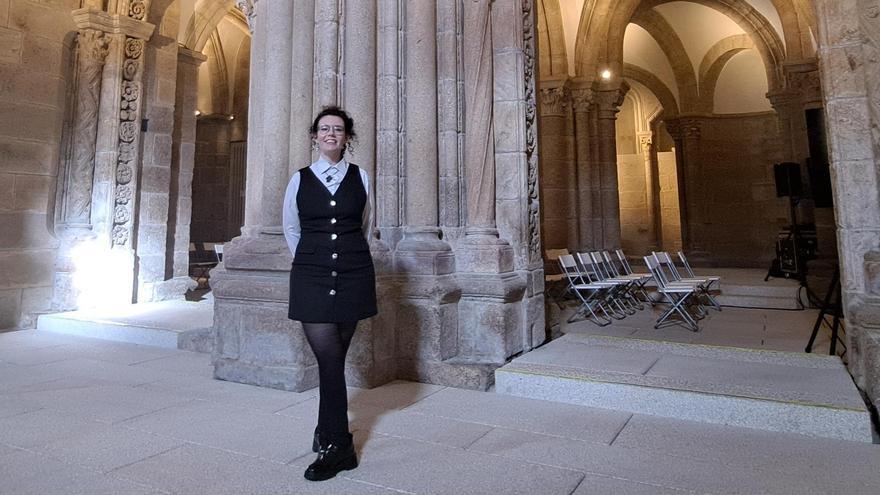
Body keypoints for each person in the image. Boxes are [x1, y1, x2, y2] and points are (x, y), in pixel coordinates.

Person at [282, 106, 377, 482]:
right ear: (315, 136)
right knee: (328, 358)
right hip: (311, 275)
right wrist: (311, 260)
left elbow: (366, 225)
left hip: (354, 272)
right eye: (324, 129)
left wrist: (348, 258)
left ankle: (327, 433)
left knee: (333, 360)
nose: (331, 135)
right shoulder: (300, 179)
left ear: (347, 137)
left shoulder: (362, 177)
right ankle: (341, 446)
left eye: (338, 130)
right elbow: (291, 227)